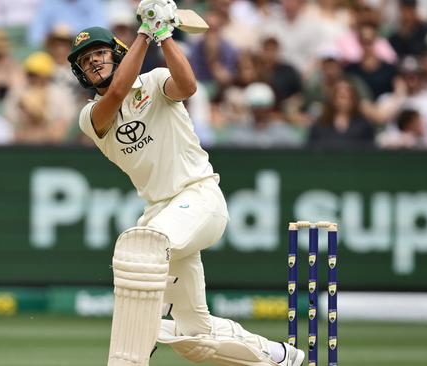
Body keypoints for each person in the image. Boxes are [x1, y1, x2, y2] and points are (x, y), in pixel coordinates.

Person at [67, 1, 304, 365]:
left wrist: (161, 36)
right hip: (162, 211)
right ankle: (279, 356)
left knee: (141, 246)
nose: (94, 62)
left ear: (117, 54)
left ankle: (133, 350)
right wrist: (147, 32)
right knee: (196, 336)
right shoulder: (89, 117)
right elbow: (114, 95)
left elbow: (188, 86)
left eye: (99, 53)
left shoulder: (155, 81)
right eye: (86, 61)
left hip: (199, 197)